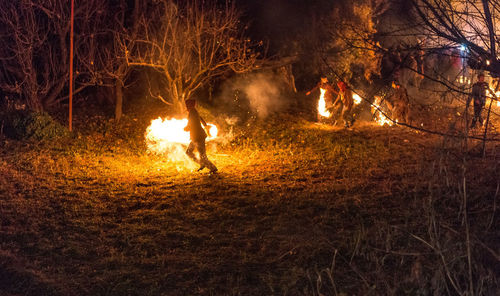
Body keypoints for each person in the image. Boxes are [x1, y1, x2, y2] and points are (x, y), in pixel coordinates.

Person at [184, 99, 218, 173]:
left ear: (190, 105)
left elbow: (192, 123)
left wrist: (187, 128)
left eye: (187, 105)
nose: (186, 106)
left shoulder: (192, 112)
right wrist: (205, 125)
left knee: (202, 156)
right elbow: (200, 119)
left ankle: (213, 168)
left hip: (198, 137)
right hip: (195, 137)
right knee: (189, 152)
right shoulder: (193, 111)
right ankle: (202, 163)